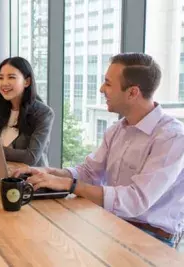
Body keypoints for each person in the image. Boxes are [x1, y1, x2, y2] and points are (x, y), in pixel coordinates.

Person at [14, 53, 184, 247]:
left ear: (132, 93)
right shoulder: (117, 130)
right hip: (112, 223)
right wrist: (48, 172)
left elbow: (136, 200)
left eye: (108, 83)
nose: (102, 89)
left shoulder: (172, 137)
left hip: (152, 238)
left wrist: (69, 185)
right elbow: (88, 172)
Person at [0, 57, 54, 166]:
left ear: (27, 82)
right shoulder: (3, 108)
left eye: (11, 77)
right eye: (0, 78)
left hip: (30, 179)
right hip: (1, 172)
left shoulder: (44, 113)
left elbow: (31, 157)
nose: (4, 83)